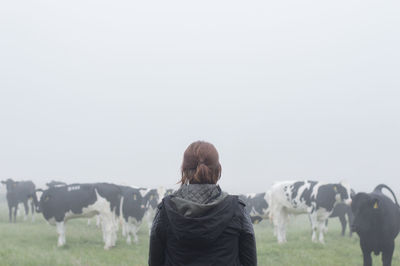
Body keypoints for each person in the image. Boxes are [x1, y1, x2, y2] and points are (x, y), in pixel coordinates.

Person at [149, 141, 257, 266]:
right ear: (218, 170)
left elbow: (154, 261)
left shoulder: (165, 210)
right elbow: (250, 262)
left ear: (184, 170)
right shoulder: (237, 209)